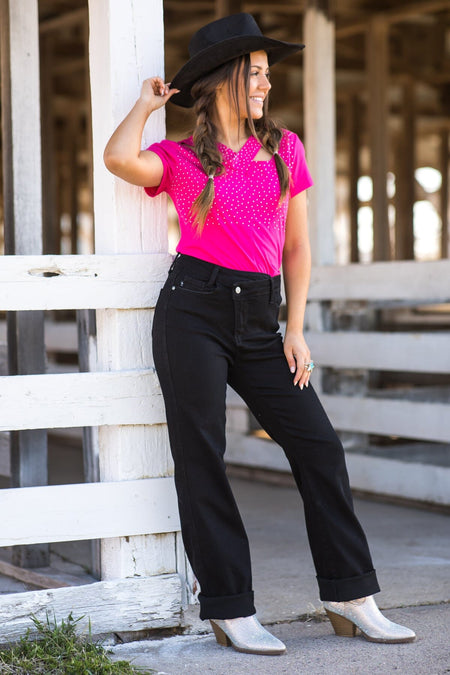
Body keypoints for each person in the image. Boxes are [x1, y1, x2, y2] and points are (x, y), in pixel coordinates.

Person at [104, 12, 415, 656]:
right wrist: (143, 104)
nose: (266, 85)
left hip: (261, 318)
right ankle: (230, 608)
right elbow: (117, 158)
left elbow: (297, 249)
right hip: (193, 310)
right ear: (223, 81)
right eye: (257, 73)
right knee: (203, 457)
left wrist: (294, 328)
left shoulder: (284, 149)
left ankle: (350, 595)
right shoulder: (183, 159)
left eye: (269, 75)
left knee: (320, 446)